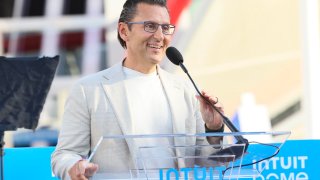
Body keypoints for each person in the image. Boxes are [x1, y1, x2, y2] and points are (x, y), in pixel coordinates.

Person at [51, 0, 225, 179]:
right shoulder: (88, 90)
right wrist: (74, 167)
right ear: (124, 31)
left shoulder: (184, 89)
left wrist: (213, 129)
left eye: (165, 28)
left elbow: (208, 162)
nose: (159, 36)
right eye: (150, 26)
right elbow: (64, 154)